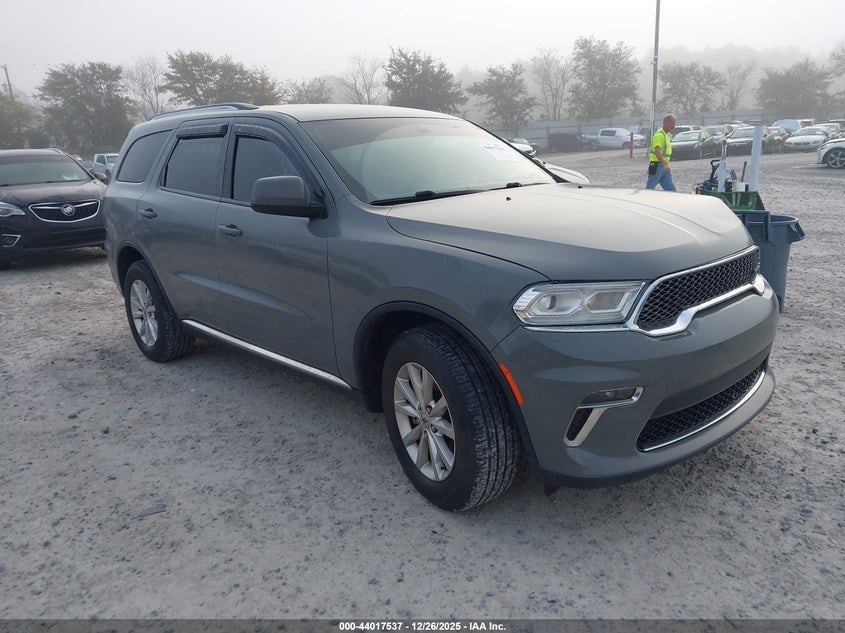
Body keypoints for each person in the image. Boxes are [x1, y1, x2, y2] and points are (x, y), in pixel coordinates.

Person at [646, 114, 677, 191]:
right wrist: (665, 164)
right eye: (672, 124)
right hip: (657, 165)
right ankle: (643, 200)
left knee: (671, 189)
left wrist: (665, 165)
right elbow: (657, 152)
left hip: (662, 166)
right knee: (650, 188)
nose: (674, 126)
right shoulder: (659, 135)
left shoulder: (666, 135)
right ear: (666, 123)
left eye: (674, 124)